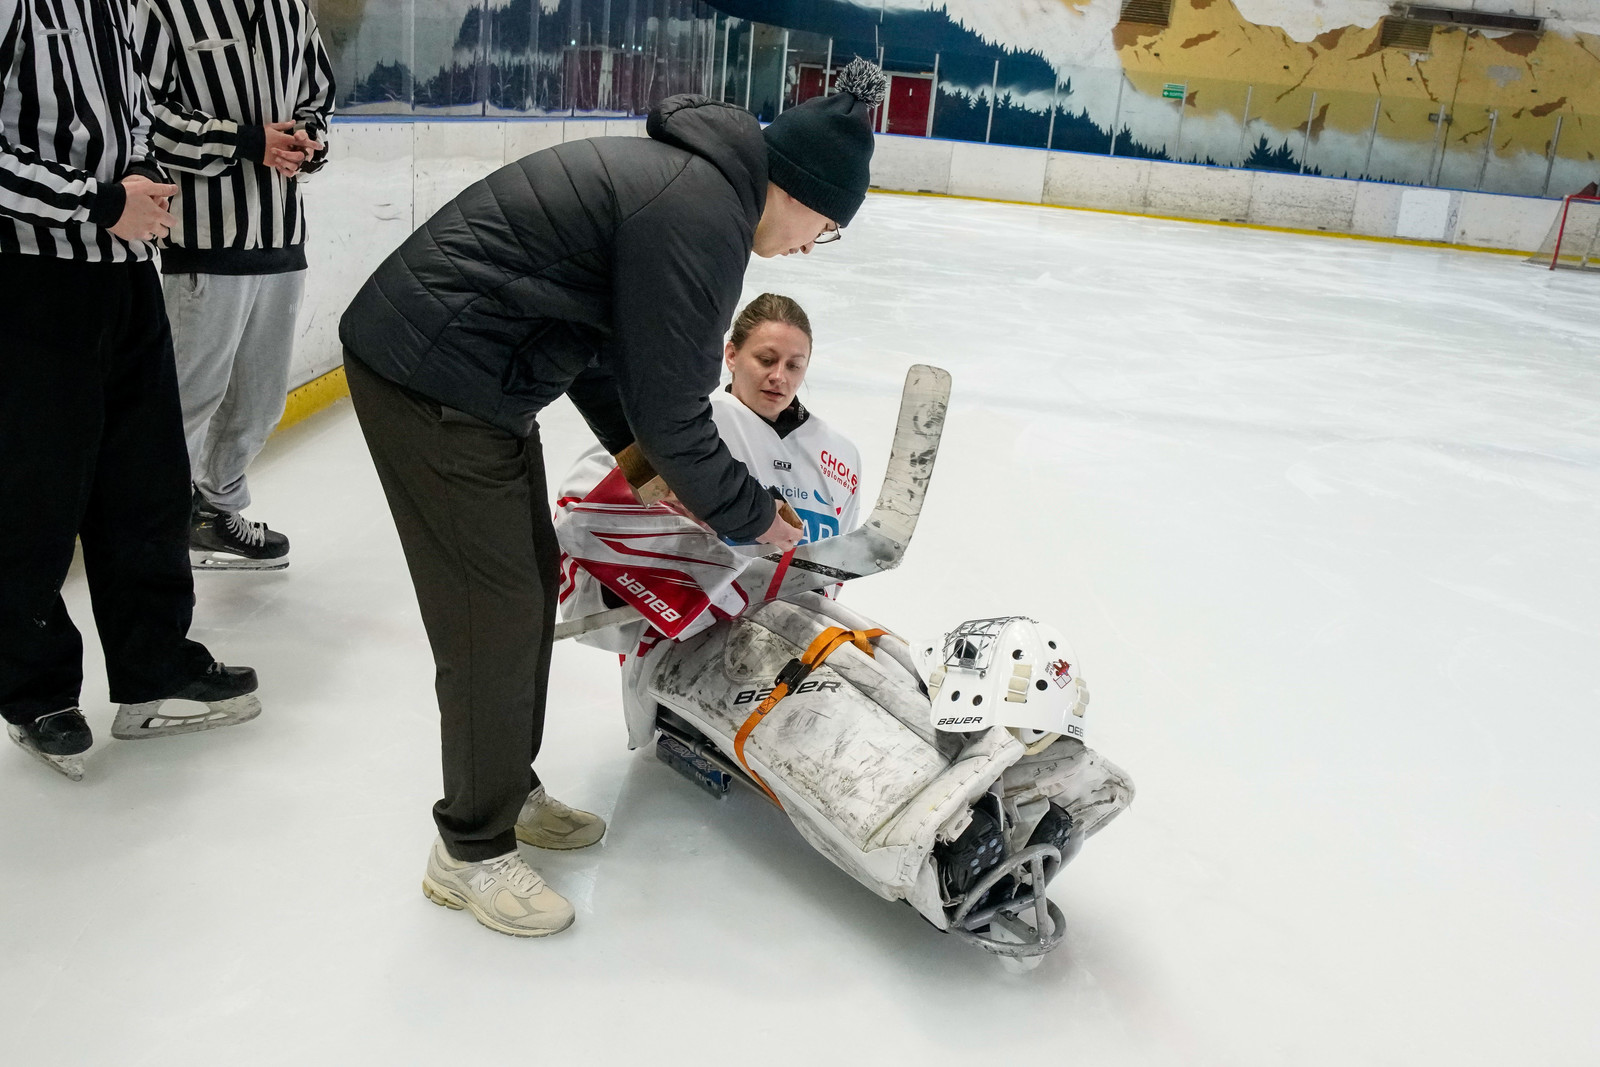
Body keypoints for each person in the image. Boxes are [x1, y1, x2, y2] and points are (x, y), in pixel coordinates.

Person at [338, 59, 886, 939]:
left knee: (527, 580)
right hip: (430, 372)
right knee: (495, 609)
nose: (809, 245)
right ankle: (470, 851)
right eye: (824, 225)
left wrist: (642, 462)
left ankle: (504, 790)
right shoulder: (703, 213)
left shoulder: (699, 193)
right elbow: (674, 407)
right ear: (803, 191)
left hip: (479, 377)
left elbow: (610, 353)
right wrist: (750, 515)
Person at [1, 0, 259, 781]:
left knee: (145, 483)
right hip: (30, 280)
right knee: (33, 495)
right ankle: (33, 691)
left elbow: (136, 116)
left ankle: (155, 671)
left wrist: (141, 176)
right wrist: (100, 202)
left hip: (124, 277)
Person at [134, 0, 336, 570]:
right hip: (203, 241)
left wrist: (309, 141)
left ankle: (215, 511)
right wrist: (247, 142)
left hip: (281, 239)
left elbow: (317, 97)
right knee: (186, 399)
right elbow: (144, 114)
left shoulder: (291, 9)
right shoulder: (164, 8)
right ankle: (157, 529)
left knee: (261, 401)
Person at [556, 291, 864, 650]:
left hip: (791, 653)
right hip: (681, 653)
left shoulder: (840, 457)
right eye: (766, 359)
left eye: (794, 365)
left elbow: (834, 570)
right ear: (731, 355)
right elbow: (580, 511)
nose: (779, 376)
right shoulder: (684, 426)